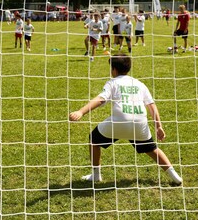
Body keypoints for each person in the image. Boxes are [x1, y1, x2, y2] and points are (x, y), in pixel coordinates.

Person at [69, 53, 183, 185]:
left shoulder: (112, 82)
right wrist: (158, 126)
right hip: (140, 124)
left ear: (114, 70)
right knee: (152, 150)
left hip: (119, 122)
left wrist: (81, 112)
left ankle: (96, 175)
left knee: (94, 140)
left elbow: (101, 99)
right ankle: (175, 177)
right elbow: (152, 107)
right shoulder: (140, 84)